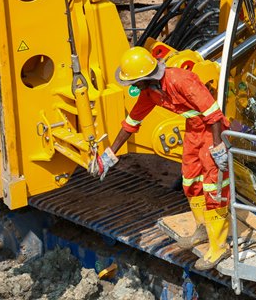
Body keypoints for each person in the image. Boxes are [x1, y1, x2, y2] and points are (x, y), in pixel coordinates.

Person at [89, 46, 231, 271]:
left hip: (212, 131)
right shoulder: (151, 93)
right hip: (194, 131)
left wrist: (218, 146)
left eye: (134, 82)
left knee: (214, 187)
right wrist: (109, 155)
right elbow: (131, 124)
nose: (133, 87)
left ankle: (219, 246)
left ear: (146, 77)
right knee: (190, 181)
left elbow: (214, 113)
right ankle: (203, 229)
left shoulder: (181, 80)